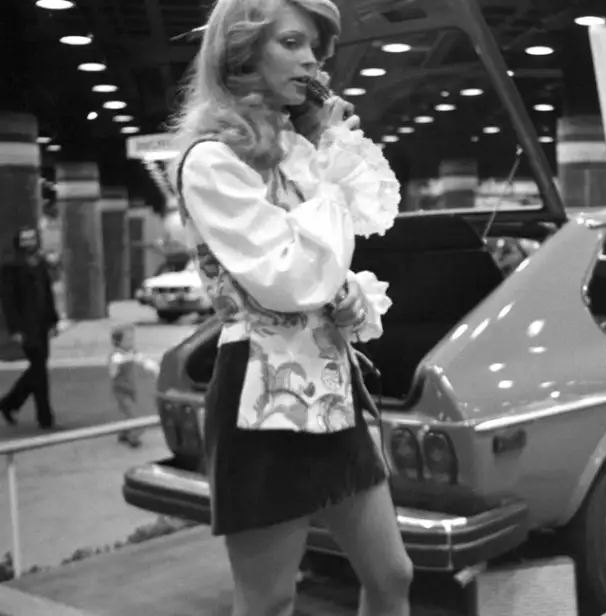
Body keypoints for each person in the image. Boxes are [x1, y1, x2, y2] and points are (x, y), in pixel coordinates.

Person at [170, 0, 409, 614]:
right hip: (260, 395)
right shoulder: (212, 162)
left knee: (394, 574)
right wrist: (330, 158)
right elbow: (288, 277)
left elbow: (322, 263)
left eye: (314, 49)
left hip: (331, 387)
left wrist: (348, 292)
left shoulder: (299, 153)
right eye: (292, 43)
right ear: (242, 52)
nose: (311, 60)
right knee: (270, 598)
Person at [0, 227, 60, 429]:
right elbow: (8, 302)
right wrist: (15, 329)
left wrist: (53, 320)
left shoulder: (40, 265)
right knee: (39, 369)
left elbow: (47, 294)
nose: (29, 243)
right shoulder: (11, 268)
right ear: (19, 243)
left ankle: (9, 404)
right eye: (25, 239)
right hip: (26, 328)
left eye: (32, 239)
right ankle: (45, 417)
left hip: (42, 325)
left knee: (38, 368)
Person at [108, 324, 160, 448]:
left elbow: (143, 361)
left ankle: (123, 433)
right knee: (135, 415)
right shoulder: (116, 355)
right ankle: (133, 437)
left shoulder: (131, 353)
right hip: (121, 391)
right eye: (128, 340)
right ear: (118, 342)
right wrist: (127, 359)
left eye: (132, 339)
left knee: (128, 414)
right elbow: (113, 370)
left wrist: (154, 368)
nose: (131, 342)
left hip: (131, 388)